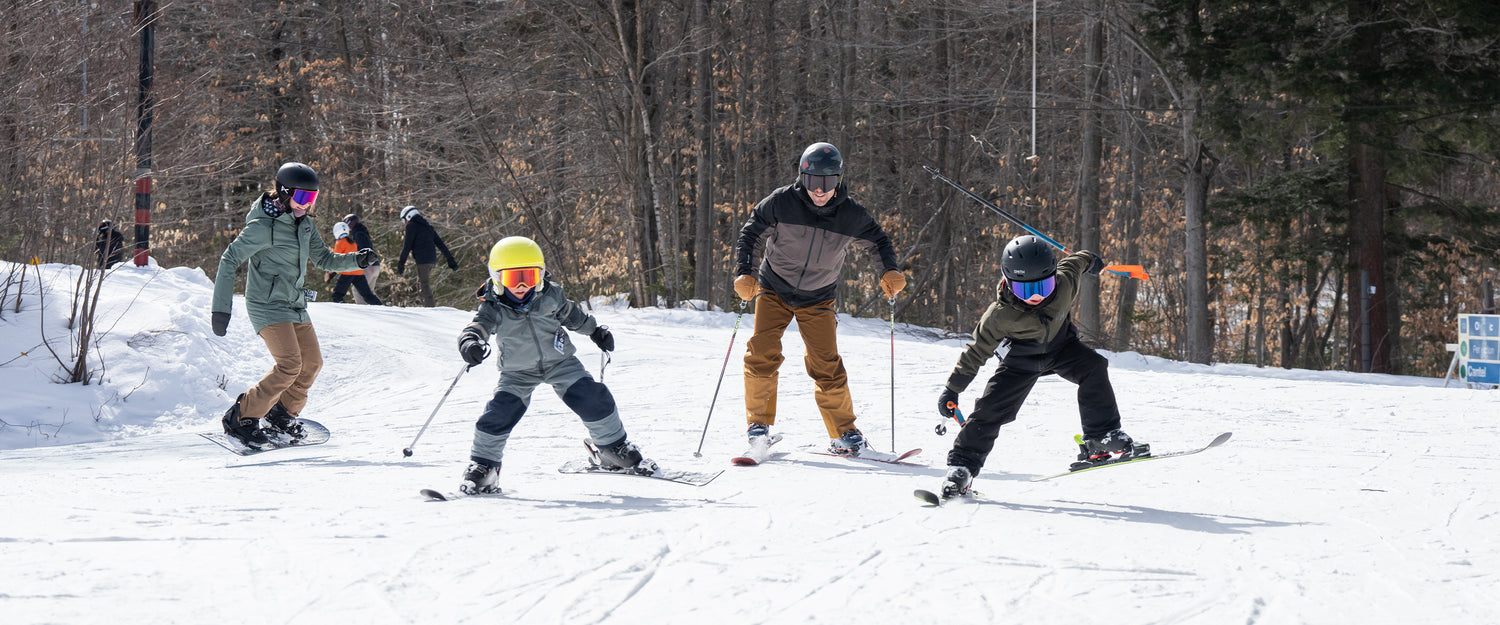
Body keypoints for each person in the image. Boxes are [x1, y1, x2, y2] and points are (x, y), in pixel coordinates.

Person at [933, 234, 1145, 498]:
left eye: (1042, 287)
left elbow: (1079, 259)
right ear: (1008, 282)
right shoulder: (999, 315)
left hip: (1062, 349)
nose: (1034, 295)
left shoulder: (1066, 281)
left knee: (1094, 366)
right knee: (989, 410)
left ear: (1054, 276)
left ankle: (1100, 437)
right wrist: (953, 389)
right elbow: (976, 352)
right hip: (1021, 361)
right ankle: (961, 467)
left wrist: (1093, 260)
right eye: (1024, 289)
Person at [733, 141, 906, 457]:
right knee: (762, 352)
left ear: (838, 180)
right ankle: (758, 426)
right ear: (803, 177)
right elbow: (751, 234)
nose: (820, 190)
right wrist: (746, 271)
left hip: (819, 297)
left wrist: (888, 271)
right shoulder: (781, 203)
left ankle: (844, 432)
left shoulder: (850, 214)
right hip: (774, 288)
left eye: (828, 182)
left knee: (826, 364)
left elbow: (878, 242)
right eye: (814, 182)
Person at [454, 236, 641, 494]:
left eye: (529, 277)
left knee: (593, 397)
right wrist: (470, 342)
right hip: (517, 372)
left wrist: (595, 331)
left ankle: (612, 450)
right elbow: (477, 327)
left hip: (560, 362)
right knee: (498, 414)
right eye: (512, 279)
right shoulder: (493, 307)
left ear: (541, 275)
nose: (521, 286)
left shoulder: (551, 296)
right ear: (497, 278)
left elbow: (574, 316)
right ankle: (484, 468)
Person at [209, 162, 377, 449]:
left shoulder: (305, 225)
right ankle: (242, 417)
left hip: (294, 304)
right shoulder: (263, 227)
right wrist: (221, 308)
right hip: (266, 305)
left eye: (311, 200)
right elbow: (229, 259)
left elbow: (324, 259)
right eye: (301, 198)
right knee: (289, 365)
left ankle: (282, 415)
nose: (305, 206)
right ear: (283, 194)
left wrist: (356, 261)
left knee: (312, 364)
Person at [395, 206, 458, 307]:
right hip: (431, 259)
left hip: (422, 259)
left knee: (424, 284)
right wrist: (450, 260)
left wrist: (401, 263)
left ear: (409, 216)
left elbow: (407, 247)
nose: (405, 223)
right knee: (423, 284)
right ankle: (427, 306)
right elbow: (441, 244)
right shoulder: (427, 226)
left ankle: (430, 308)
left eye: (404, 220)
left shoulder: (412, 226)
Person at [328, 221, 383, 305]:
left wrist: (330, 274)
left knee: (337, 294)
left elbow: (336, 260)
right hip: (358, 272)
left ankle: (343, 310)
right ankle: (379, 306)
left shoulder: (340, 243)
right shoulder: (353, 242)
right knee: (367, 295)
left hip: (347, 272)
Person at [342, 213, 381, 304]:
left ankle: (363, 313)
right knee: (369, 292)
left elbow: (363, 251)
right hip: (375, 266)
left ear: (350, 223)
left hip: (368, 266)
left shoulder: (358, 234)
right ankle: (379, 310)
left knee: (358, 290)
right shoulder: (362, 232)